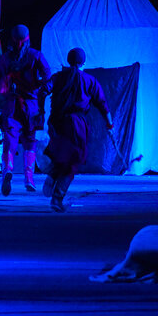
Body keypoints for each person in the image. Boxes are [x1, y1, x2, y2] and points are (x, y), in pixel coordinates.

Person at [43, 48, 112, 212]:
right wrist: (110, 125)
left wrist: (40, 111)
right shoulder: (90, 80)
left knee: (62, 154)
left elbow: (43, 90)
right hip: (75, 125)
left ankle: (52, 175)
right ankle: (57, 198)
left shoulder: (58, 77)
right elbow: (102, 104)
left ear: (68, 60)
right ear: (84, 62)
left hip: (57, 122)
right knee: (74, 159)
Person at [0, 24, 50, 196]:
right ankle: (28, 178)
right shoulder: (35, 56)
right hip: (31, 105)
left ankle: (7, 170)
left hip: (11, 104)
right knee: (30, 141)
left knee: (10, 139)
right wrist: (39, 88)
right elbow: (48, 77)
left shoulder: (4, 60)